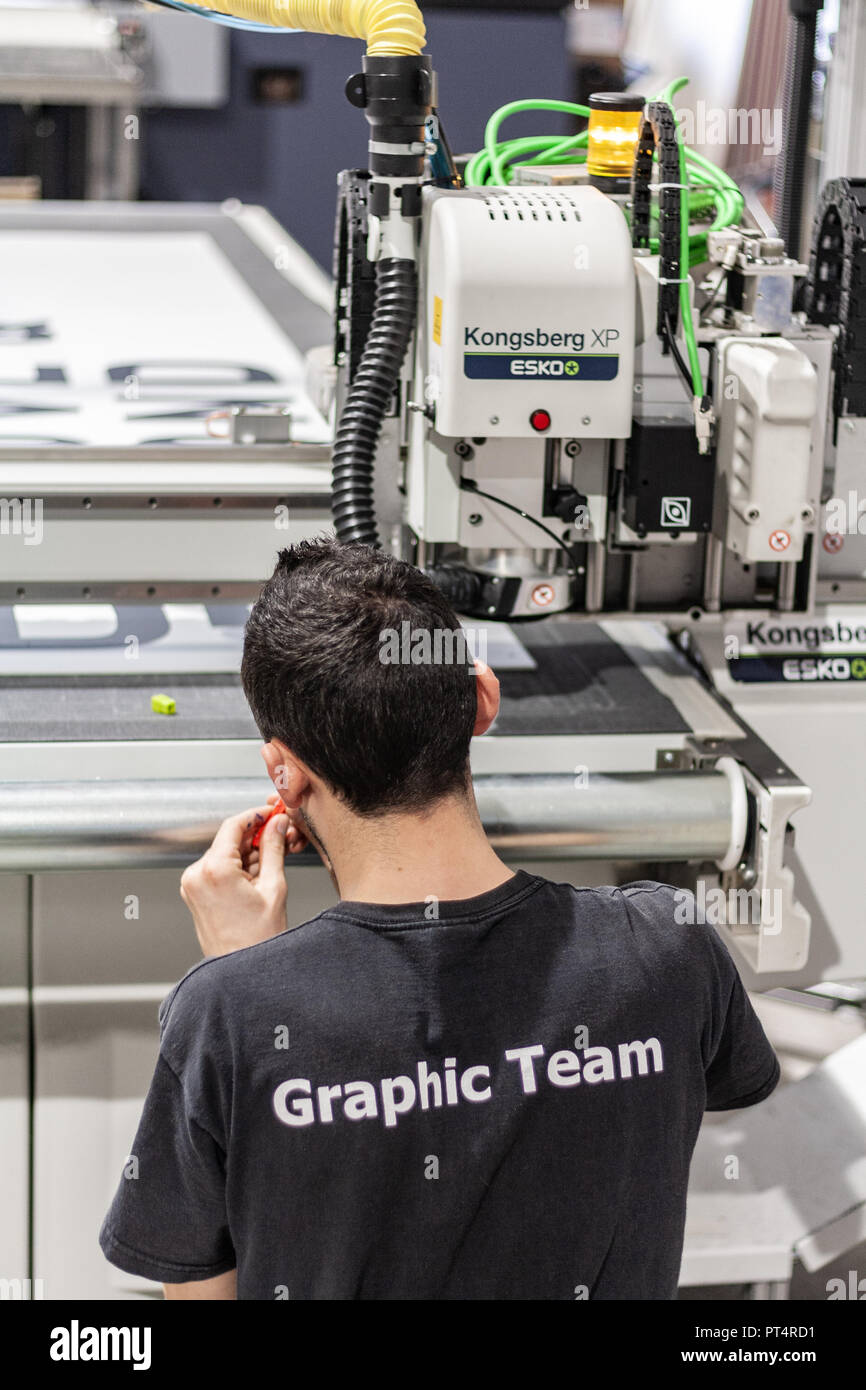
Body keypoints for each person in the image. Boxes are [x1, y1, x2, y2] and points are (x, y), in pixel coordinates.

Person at [99, 537, 780, 1300]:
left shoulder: (228, 1017)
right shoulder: (669, 948)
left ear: (282, 771)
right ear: (481, 700)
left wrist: (248, 979)